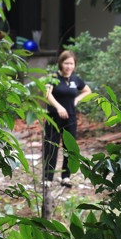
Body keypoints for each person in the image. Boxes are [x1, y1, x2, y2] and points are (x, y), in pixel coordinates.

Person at [43, 50, 91, 186]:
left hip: (70, 118)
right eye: (66, 63)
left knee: (69, 147)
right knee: (51, 146)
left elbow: (88, 91)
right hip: (53, 117)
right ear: (60, 63)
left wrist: (77, 100)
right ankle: (48, 178)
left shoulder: (76, 80)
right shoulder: (53, 77)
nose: (68, 66)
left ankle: (66, 176)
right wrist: (58, 107)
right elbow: (46, 94)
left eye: (71, 63)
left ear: (74, 65)